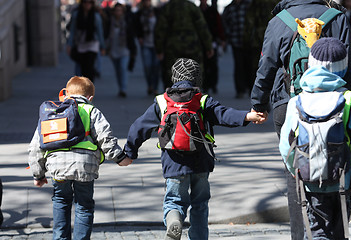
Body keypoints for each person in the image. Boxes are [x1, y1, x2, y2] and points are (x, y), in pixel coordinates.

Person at [250, 0, 351, 239]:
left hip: (289, 103)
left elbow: (266, 65)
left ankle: (302, 234)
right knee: (338, 161)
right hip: (337, 104)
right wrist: (350, 102)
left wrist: (258, 103)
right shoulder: (337, 17)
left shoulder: (279, 20)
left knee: (297, 171)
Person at [124, 58, 265, 240]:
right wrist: (248, 116)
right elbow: (224, 115)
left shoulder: (162, 102)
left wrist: (129, 153)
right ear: (198, 79)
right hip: (201, 164)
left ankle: (174, 220)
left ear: (174, 77)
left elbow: (139, 127)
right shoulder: (202, 100)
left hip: (173, 164)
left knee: (174, 201)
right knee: (200, 204)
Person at [28, 76, 133, 239]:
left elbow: (36, 146)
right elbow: (105, 138)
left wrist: (38, 174)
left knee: (61, 202)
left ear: (66, 93)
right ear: (90, 98)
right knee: (84, 206)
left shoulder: (52, 113)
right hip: (85, 166)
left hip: (58, 167)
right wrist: (120, 158)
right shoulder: (91, 110)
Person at [279, 37, 351, 239]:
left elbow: (284, 146)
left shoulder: (296, 101)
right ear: (343, 67)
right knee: (338, 230)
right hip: (342, 177)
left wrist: (297, 169)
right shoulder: (349, 99)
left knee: (315, 230)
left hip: (308, 179)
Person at [154, 0, 214, 90]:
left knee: (172, 75)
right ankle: (194, 98)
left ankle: (173, 99)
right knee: (194, 75)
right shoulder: (192, 7)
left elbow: (160, 30)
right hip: (192, 46)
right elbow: (202, 27)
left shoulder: (168, 8)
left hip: (173, 47)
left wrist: (159, 49)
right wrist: (208, 46)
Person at [67, 0, 106, 82]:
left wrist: (102, 46)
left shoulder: (96, 16)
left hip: (92, 43)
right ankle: (81, 85)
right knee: (81, 66)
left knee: (89, 66)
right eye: (85, 2)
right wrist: (69, 44)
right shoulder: (76, 14)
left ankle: (89, 86)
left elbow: (100, 32)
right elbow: (72, 30)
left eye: (90, 2)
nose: (87, 4)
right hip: (80, 43)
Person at [222, 0, 252, 98]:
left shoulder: (248, 5)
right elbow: (224, 23)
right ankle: (240, 90)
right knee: (239, 66)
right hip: (236, 41)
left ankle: (250, 88)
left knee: (250, 66)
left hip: (249, 42)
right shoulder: (229, 8)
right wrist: (227, 36)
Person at [106, 2, 137, 98]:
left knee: (123, 69)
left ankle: (123, 89)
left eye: (120, 10)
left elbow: (131, 36)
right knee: (118, 70)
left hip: (124, 50)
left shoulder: (126, 22)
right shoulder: (110, 22)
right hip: (113, 50)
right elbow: (106, 34)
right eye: (116, 10)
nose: (118, 12)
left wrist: (133, 50)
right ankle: (120, 87)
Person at [199, 0, 226, 94]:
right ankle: (205, 85)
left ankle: (213, 84)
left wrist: (222, 39)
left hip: (213, 41)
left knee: (213, 64)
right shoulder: (198, 11)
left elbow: (219, 26)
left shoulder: (212, 11)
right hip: (200, 43)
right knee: (203, 65)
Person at [135, 0, 161, 96]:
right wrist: (139, 37)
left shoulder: (157, 12)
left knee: (156, 67)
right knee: (148, 66)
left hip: (156, 44)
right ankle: (150, 84)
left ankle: (155, 87)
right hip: (145, 43)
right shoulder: (140, 13)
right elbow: (137, 26)